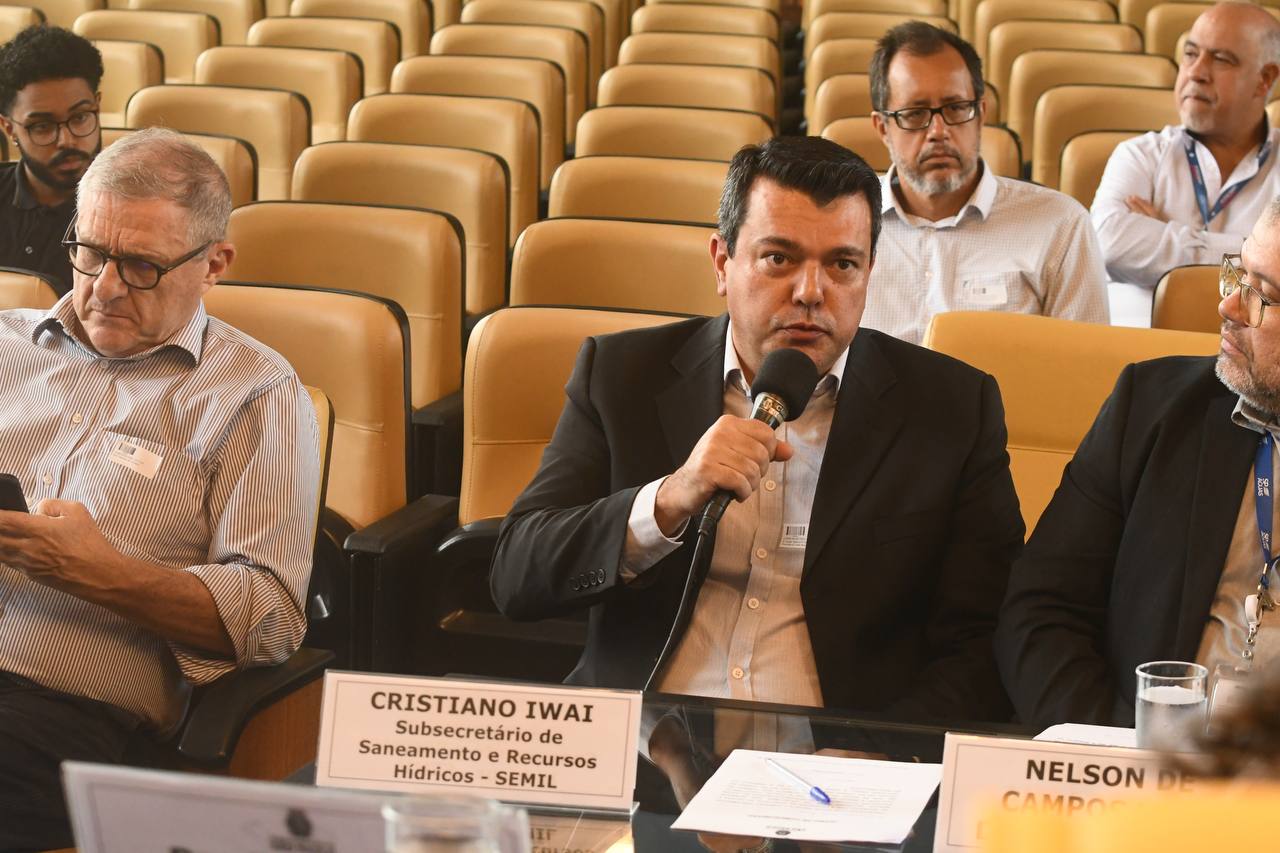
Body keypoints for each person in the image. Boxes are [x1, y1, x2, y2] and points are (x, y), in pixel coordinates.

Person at [490, 136, 1025, 724]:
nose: (810, 292)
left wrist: (879, 750)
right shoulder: (622, 377)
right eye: (779, 259)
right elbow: (517, 574)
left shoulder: (951, 407)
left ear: (870, 272)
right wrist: (668, 500)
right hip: (640, 739)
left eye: (842, 264)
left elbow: (986, 638)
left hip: (837, 752)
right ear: (722, 263)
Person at [0, 127, 319, 851]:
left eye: (141, 266)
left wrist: (97, 572)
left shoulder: (255, 392)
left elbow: (272, 617)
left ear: (214, 264)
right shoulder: (5, 345)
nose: (104, 287)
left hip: (64, 714)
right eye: (89, 252)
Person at [998, 197, 1280, 731]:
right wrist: (1119, 755)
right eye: (1238, 274)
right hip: (1140, 751)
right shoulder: (1153, 407)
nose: (1229, 306)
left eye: (1261, 294)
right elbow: (1041, 611)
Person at [862, 21, 1108, 346]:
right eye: (915, 113)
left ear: (980, 114)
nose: (938, 131)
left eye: (956, 108)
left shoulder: (1061, 225)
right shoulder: (846, 223)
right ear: (882, 127)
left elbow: (1086, 366)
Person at [1092, 2, 1280, 327]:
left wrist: (1167, 233)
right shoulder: (1139, 155)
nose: (1196, 72)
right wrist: (1252, 254)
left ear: (1264, 79)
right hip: (1139, 348)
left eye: (1221, 59)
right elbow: (1110, 244)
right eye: (1191, 54)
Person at [0, 25, 104, 296]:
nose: (67, 140)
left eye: (80, 117)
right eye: (42, 126)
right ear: (9, 128)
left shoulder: (132, 211)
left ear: (97, 106)